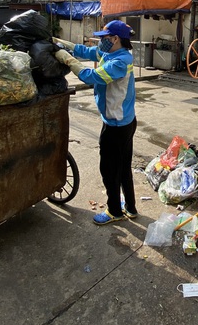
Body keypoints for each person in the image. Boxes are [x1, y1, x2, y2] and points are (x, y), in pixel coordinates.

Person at [54, 20, 138, 225]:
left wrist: (67, 59)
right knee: (123, 167)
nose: (101, 41)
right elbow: (90, 52)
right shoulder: (113, 53)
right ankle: (130, 208)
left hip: (116, 126)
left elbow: (90, 76)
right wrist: (64, 44)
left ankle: (114, 211)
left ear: (115, 39)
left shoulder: (119, 62)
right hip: (125, 121)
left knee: (109, 170)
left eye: (104, 38)